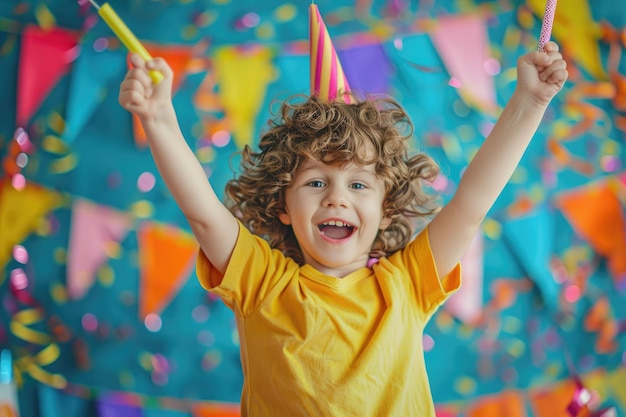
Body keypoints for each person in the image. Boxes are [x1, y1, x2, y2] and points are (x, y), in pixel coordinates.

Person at [118, 40, 568, 416]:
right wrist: (158, 118)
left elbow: (472, 203)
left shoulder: (407, 284)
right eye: (316, 182)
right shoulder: (261, 282)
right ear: (283, 207)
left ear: (386, 208)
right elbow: (203, 213)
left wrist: (530, 102)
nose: (337, 197)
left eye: (357, 183)